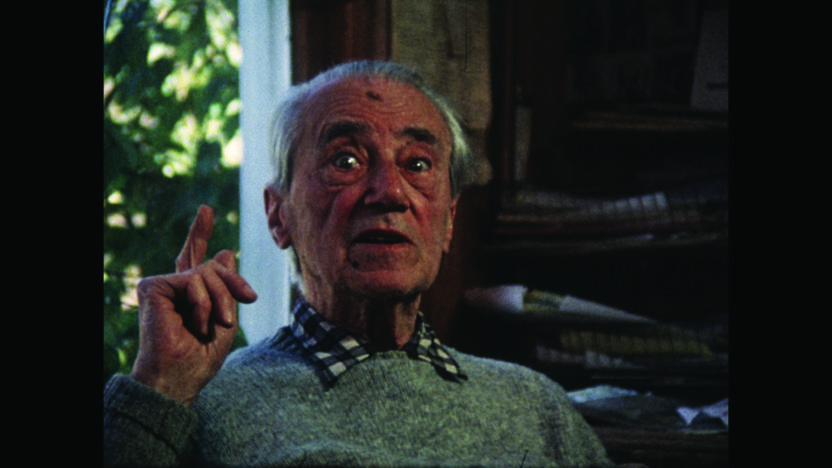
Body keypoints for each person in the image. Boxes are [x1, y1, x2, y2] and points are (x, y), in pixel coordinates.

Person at [103, 61, 616, 467]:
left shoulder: (536, 408)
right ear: (279, 216)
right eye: (346, 160)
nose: (390, 192)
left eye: (417, 164)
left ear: (448, 221)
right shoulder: (194, 406)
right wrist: (160, 387)